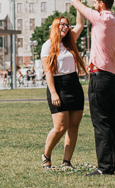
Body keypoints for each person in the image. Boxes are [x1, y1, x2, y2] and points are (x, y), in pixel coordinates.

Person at [71, 0, 115, 176]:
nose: (93, 6)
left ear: (101, 4)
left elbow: (77, 4)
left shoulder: (101, 18)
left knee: (100, 122)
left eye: (95, 3)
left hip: (98, 76)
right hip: (111, 76)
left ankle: (104, 167)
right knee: (112, 120)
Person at [40, 11, 86, 170]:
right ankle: (46, 155)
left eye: (67, 25)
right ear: (55, 26)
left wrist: (79, 6)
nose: (66, 27)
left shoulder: (70, 41)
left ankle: (67, 162)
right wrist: (53, 93)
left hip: (74, 85)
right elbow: (48, 72)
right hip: (58, 86)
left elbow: (81, 24)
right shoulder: (47, 45)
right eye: (63, 24)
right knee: (60, 127)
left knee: (73, 127)